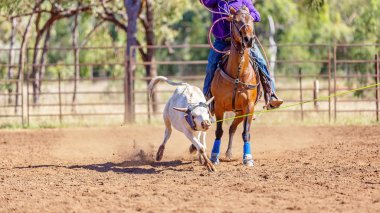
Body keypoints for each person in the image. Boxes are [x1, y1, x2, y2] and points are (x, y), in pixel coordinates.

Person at [200, 0, 283, 109]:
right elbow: (205, 2)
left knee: (261, 62)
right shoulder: (217, 1)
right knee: (211, 66)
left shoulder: (244, 1)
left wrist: (241, 16)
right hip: (222, 41)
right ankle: (206, 99)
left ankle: (271, 94)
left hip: (243, 40)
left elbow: (256, 15)